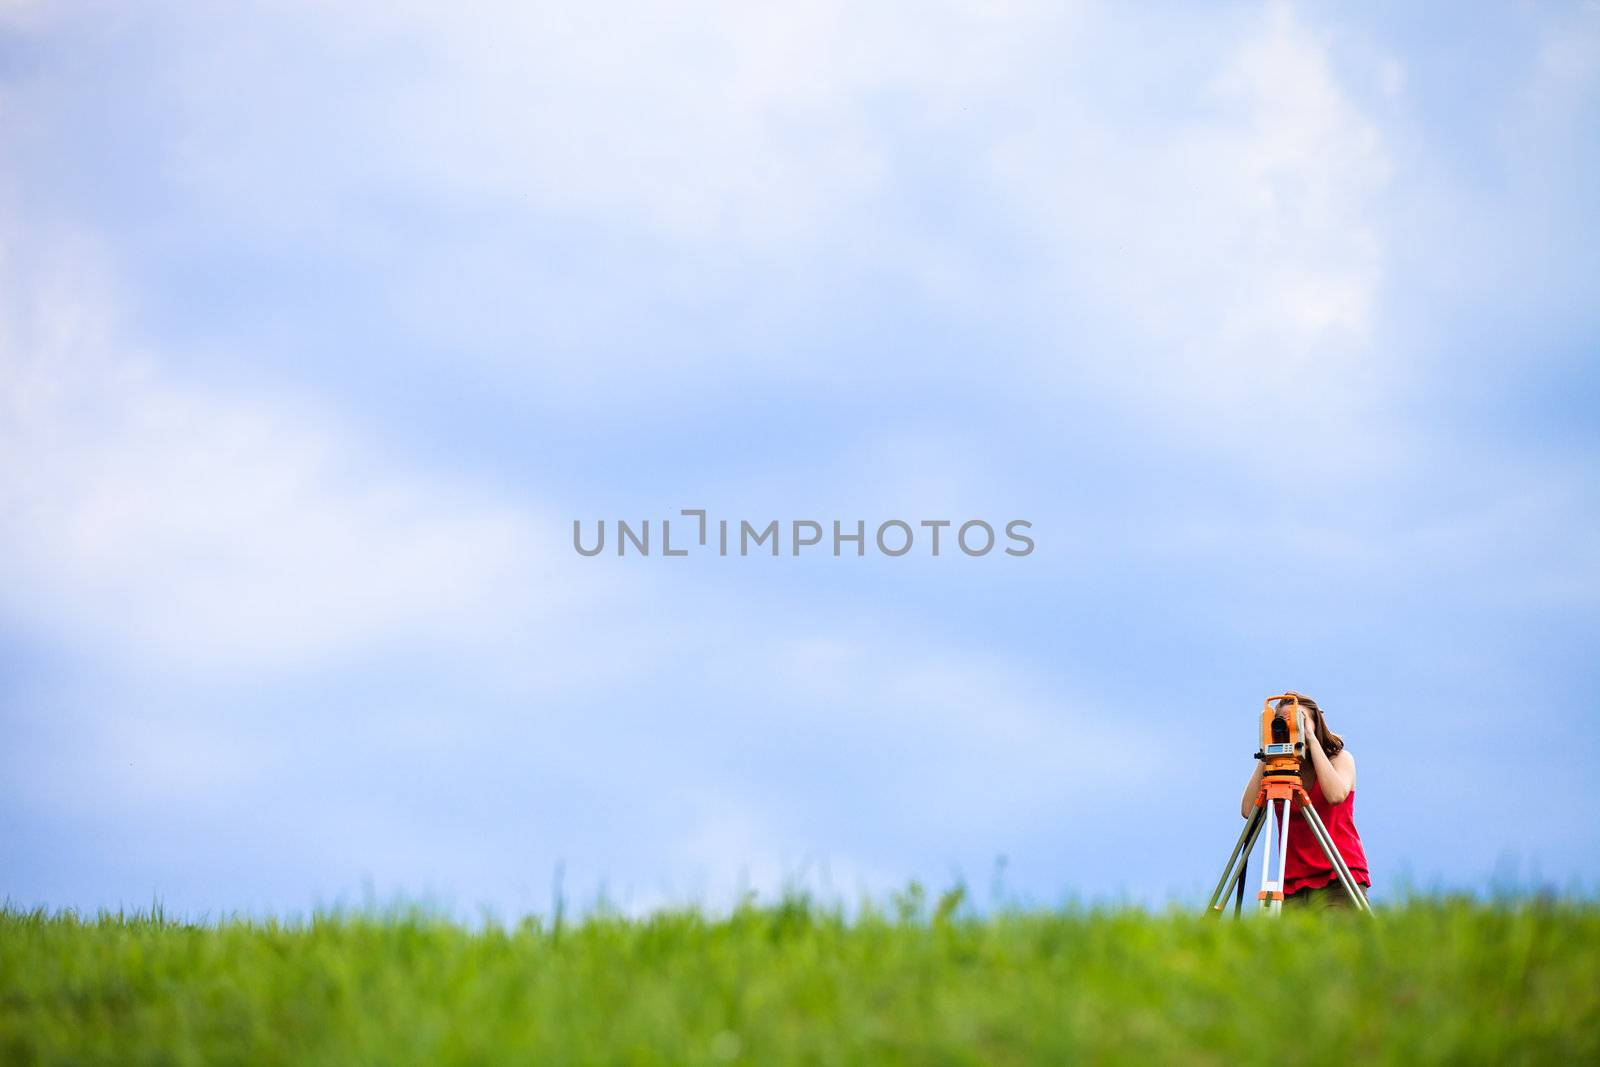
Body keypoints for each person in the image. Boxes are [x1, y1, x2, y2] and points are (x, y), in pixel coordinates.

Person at [1239, 692, 1371, 908]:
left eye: (1299, 719)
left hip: (1339, 875)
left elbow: (1335, 795)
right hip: (1293, 882)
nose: (1292, 726)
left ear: (1315, 723)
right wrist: (1269, 749)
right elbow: (1247, 810)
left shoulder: (1341, 760)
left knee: (1341, 941)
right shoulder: (1279, 770)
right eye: (1284, 720)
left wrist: (1309, 736)